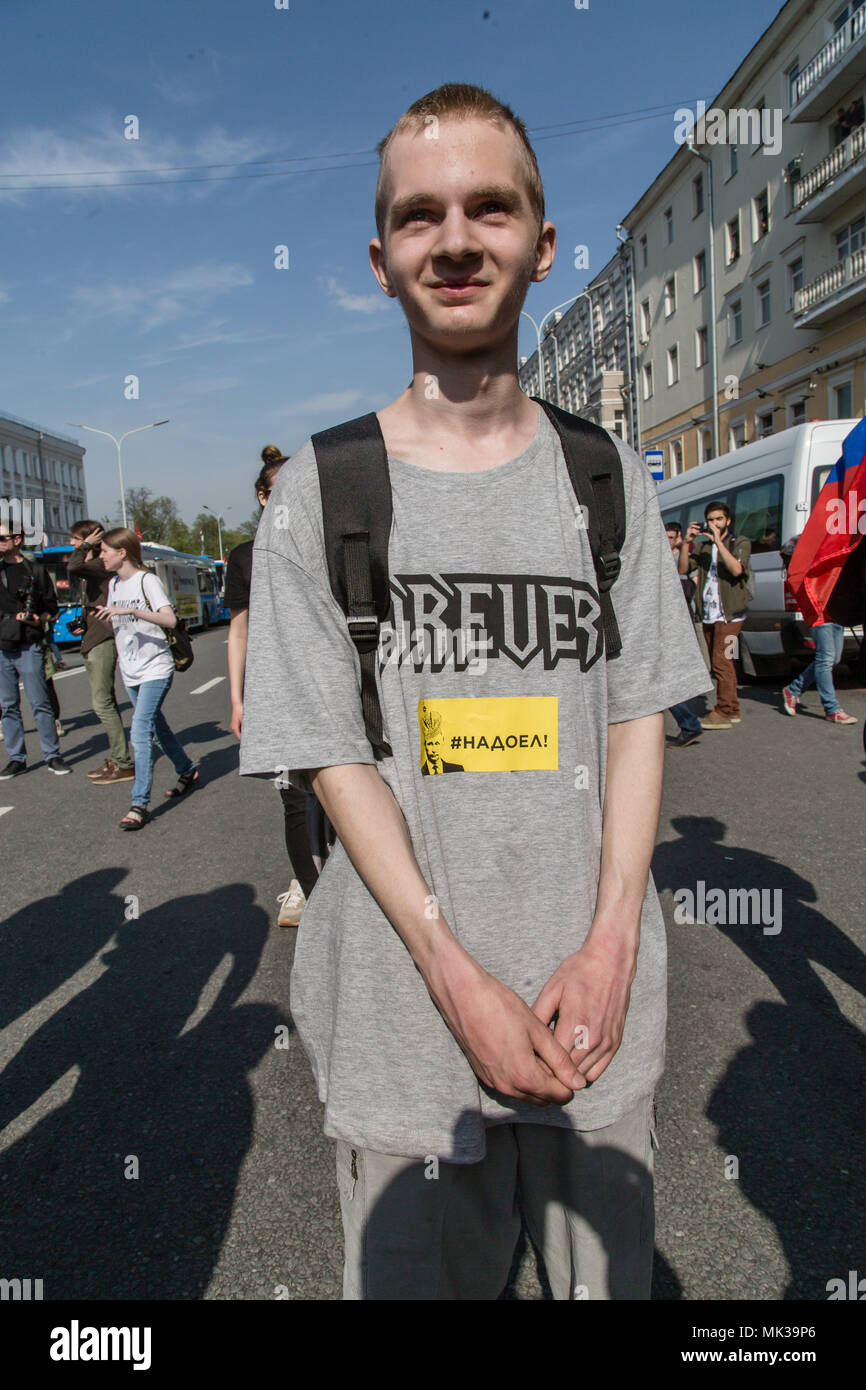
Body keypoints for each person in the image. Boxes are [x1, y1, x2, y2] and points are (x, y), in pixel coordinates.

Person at [240, 83, 712, 1301]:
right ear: (381, 262)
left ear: (541, 245)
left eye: (488, 209)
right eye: (419, 218)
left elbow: (635, 711)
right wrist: (455, 974)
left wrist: (610, 943)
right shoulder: (321, 489)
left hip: (590, 1024)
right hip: (405, 1030)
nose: (455, 241)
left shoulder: (605, 477)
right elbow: (333, 759)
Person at [225, 446, 323, 927]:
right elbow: (239, 630)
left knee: (346, 788)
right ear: (263, 497)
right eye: (277, 488)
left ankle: (350, 883)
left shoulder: (323, 539)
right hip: (273, 688)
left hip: (328, 681)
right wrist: (237, 699)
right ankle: (313, 893)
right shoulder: (245, 556)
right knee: (295, 798)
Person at [93, 529, 197, 829]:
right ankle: (187, 770)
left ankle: (139, 803)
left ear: (122, 552)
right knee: (157, 727)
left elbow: (169, 619)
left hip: (156, 666)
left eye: (105, 551)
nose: (101, 556)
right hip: (131, 670)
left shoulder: (145, 580)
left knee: (139, 729)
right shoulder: (114, 584)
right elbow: (119, 623)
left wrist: (131, 610)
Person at [0, 521, 71, 777]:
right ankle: (16, 757)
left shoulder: (35, 570)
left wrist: (37, 618)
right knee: (8, 705)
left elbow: (52, 608)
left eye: (2, 539)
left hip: (29, 643)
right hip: (1, 647)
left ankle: (53, 755)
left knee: (40, 703)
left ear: (17, 539)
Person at [67, 519, 135, 783]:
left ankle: (123, 762)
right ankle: (118, 758)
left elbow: (73, 566)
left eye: (75, 539)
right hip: (93, 636)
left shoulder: (97, 565)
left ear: (93, 540)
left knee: (102, 703)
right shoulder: (95, 567)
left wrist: (86, 546)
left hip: (102, 639)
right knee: (104, 701)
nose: (72, 544)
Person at [679, 501, 752, 729]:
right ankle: (732, 708)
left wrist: (719, 542)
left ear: (728, 521)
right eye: (710, 520)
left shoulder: (738, 542)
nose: (714, 524)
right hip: (710, 614)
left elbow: (737, 570)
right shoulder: (701, 547)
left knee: (723, 661)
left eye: (718, 519)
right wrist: (686, 543)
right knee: (721, 662)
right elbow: (682, 569)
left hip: (731, 616)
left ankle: (725, 711)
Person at [781, 533, 860, 725]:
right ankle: (831, 709)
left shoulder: (836, 549)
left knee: (834, 658)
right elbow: (788, 551)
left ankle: (793, 689)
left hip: (836, 610)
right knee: (825, 658)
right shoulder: (807, 549)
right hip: (818, 611)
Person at [665, 522, 703, 749]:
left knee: (661, 678)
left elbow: (685, 575)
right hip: (662, 620)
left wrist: (687, 544)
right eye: (665, 536)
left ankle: (689, 723)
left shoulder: (685, 556)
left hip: (676, 621)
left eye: (671, 537)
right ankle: (688, 723)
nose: (667, 540)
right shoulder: (656, 555)